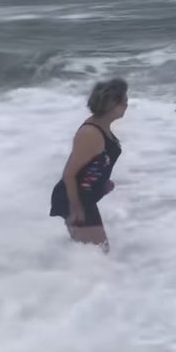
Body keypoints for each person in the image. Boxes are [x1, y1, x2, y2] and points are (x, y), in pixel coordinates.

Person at [49, 78, 129, 252]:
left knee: (90, 253)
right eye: (124, 103)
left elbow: (96, 162)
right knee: (100, 253)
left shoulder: (103, 126)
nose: (126, 105)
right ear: (111, 106)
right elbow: (69, 174)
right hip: (74, 199)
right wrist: (75, 207)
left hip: (83, 198)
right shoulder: (90, 133)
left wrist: (103, 183)